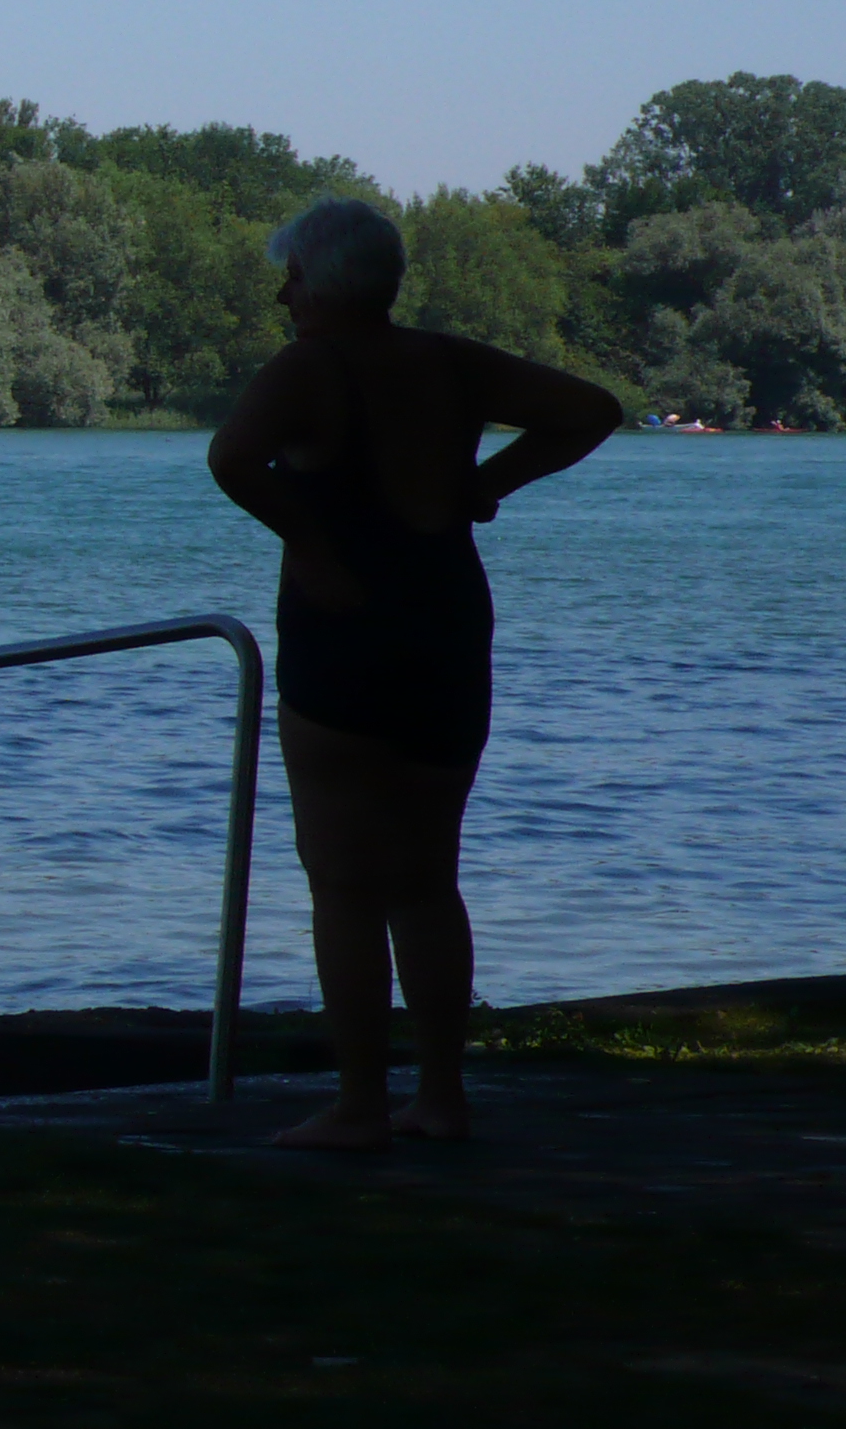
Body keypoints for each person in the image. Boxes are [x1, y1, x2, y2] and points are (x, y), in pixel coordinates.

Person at [208, 197, 618, 1151]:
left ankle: (357, 1106)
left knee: (343, 882)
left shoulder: (308, 367)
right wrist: (487, 483)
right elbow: (591, 410)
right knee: (429, 879)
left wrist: (309, 546)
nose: (282, 293)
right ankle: (441, 1097)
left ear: (323, 284)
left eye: (293, 277)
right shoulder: (451, 362)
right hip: (445, 624)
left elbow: (233, 459)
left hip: (343, 633)